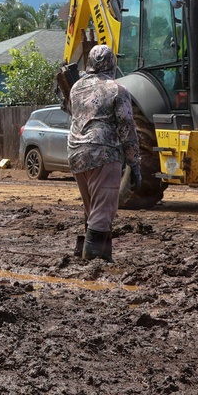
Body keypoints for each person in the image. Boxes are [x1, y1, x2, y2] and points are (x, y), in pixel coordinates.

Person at [67, 44, 140, 261]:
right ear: (112, 63)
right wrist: (134, 164)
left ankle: (104, 258)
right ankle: (92, 261)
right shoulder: (116, 89)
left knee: (94, 209)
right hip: (104, 153)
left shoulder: (76, 88)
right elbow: (127, 126)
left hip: (76, 153)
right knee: (103, 211)